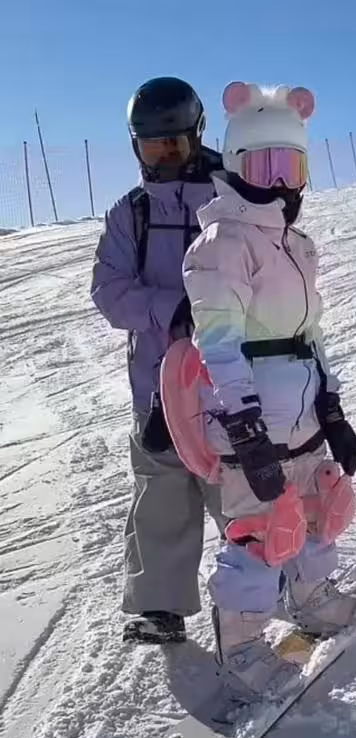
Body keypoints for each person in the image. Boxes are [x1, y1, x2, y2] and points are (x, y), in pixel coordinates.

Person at [162, 80, 356, 706]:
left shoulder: (296, 246)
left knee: (317, 509)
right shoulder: (221, 245)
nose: (280, 183)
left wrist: (331, 405)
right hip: (251, 419)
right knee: (261, 531)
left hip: (302, 416)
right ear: (234, 165)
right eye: (264, 166)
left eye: (291, 166)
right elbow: (218, 343)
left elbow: (311, 334)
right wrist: (245, 425)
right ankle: (244, 646)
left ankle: (313, 598)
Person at [90, 76, 228, 644]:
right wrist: (173, 309)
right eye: (153, 146)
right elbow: (109, 291)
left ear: (197, 134)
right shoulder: (132, 214)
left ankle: (281, 583)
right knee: (162, 493)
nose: (165, 154)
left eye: (175, 142)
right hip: (159, 384)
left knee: (245, 488)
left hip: (230, 378)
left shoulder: (232, 197)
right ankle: (159, 606)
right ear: (136, 146)